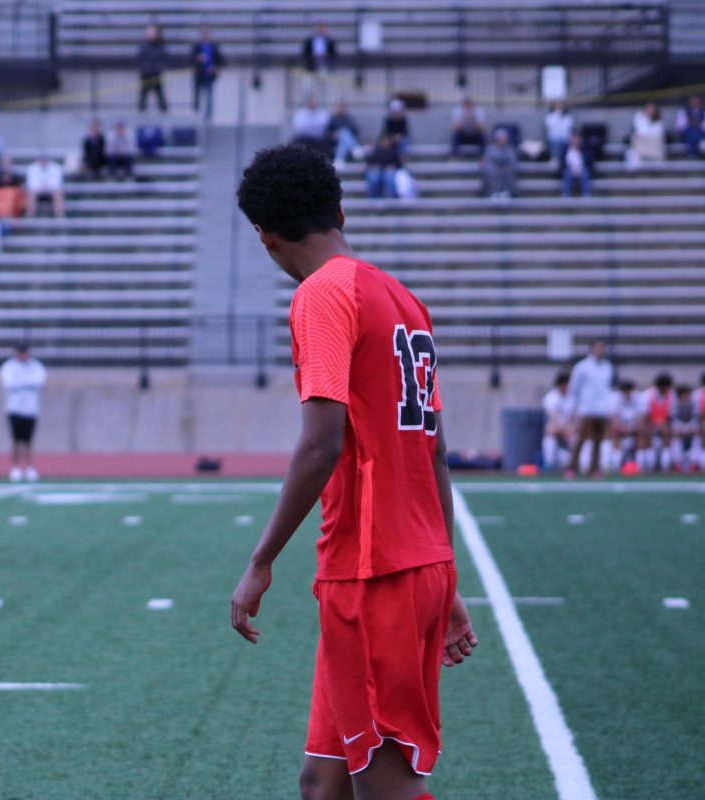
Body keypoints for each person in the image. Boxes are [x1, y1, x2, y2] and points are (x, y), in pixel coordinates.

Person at [230, 144, 475, 800]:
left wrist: (261, 560)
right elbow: (435, 451)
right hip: (409, 563)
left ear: (266, 237)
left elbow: (321, 444)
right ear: (339, 210)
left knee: (385, 789)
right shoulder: (401, 296)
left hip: (372, 574)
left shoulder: (322, 296)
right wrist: (445, 576)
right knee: (324, 783)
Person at [567, 339, 614, 477]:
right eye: (598, 348)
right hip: (586, 409)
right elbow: (574, 388)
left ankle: (594, 469)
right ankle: (572, 468)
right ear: (591, 349)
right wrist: (574, 407)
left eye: (602, 348)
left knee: (598, 441)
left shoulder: (608, 367)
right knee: (580, 439)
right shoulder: (582, 367)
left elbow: (607, 390)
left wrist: (608, 408)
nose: (601, 351)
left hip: (602, 410)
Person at [0, 343, 46, 482]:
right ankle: (15, 467)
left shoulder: (36, 366)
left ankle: (29, 467)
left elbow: (39, 382)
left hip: (31, 409)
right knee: (15, 439)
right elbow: (9, 384)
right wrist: (27, 383)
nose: (22, 355)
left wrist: (21, 382)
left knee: (29, 440)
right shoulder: (9, 366)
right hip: (14, 408)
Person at [639, 373, 675, 473]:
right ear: (661, 386)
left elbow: (671, 417)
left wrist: (663, 425)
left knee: (667, 429)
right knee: (643, 429)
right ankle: (647, 463)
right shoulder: (647, 395)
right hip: (650, 424)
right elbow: (643, 417)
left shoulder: (672, 396)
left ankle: (665, 464)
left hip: (664, 425)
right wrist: (653, 425)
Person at [542, 372, 575, 472]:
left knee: (576, 435)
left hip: (569, 428)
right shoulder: (550, 397)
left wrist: (569, 428)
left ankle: (575, 463)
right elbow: (553, 418)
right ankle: (549, 463)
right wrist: (563, 430)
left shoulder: (573, 397)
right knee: (549, 431)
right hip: (557, 427)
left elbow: (574, 416)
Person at [609, 379, 643, 471]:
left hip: (634, 426)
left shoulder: (638, 397)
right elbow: (613, 417)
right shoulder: (615, 398)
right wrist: (622, 428)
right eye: (625, 390)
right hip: (620, 426)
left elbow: (641, 417)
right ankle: (616, 462)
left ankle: (641, 462)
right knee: (613, 430)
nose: (627, 393)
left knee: (642, 430)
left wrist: (632, 428)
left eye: (629, 390)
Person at [191, 28, 223, 120]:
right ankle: (196, 114)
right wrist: (197, 59)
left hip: (209, 76)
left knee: (209, 97)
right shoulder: (196, 46)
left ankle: (208, 116)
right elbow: (190, 58)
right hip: (198, 75)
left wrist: (215, 67)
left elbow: (221, 60)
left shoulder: (213, 47)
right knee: (197, 96)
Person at [137, 24, 169, 113]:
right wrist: (144, 68)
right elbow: (139, 59)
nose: (151, 34)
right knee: (143, 95)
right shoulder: (144, 45)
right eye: (150, 32)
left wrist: (160, 67)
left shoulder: (160, 45)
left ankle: (165, 112)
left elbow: (164, 57)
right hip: (146, 74)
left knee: (160, 95)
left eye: (153, 32)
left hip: (156, 74)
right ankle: (141, 113)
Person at [670, 385, 701, 472]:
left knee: (697, 434)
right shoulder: (675, 404)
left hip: (692, 428)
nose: (685, 397)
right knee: (675, 435)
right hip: (679, 429)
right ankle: (677, 463)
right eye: (683, 395)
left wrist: (690, 428)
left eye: (687, 394)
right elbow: (674, 419)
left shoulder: (694, 402)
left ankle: (694, 462)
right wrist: (681, 429)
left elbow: (696, 418)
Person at [481, 128, 518, 199]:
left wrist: (506, 167)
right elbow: (486, 162)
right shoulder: (490, 149)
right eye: (501, 138)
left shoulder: (511, 150)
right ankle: (493, 193)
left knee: (510, 171)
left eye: (504, 138)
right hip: (493, 169)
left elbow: (513, 162)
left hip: (506, 170)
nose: (503, 140)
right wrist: (497, 167)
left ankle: (506, 193)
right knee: (491, 171)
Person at [364, 133, 401, 199]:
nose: (385, 142)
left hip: (388, 171)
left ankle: (390, 200)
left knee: (389, 177)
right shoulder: (376, 151)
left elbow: (398, 164)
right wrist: (374, 166)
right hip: (377, 171)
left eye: (387, 140)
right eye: (384, 140)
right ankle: (372, 199)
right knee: (374, 177)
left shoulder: (393, 151)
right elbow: (369, 163)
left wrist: (392, 166)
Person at [560, 133, 593, 198]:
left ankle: (587, 194)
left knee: (585, 174)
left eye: (577, 140)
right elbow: (562, 163)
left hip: (581, 168)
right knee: (567, 174)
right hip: (570, 169)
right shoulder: (566, 150)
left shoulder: (584, 149)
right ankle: (566, 194)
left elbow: (589, 161)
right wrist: (573, 170)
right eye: (573, 139)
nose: (575, 141)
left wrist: (578, 170)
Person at [544, 100, 574, 164]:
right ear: (554, 107)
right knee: (554, 140)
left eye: (561, 106)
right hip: (554, 139)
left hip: (565, 139)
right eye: (557, 106)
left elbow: (569, 129)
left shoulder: (568, 117)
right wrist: (557, 115)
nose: (560, 108)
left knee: (568, 141)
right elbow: (550, 128)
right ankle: (555, 158)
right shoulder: (550, 116)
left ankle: (566, 159)